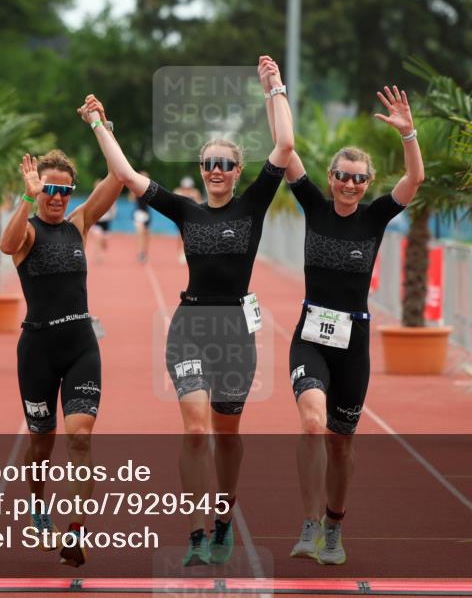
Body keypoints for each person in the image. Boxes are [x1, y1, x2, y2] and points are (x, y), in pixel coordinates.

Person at [81, 54, 294, 566]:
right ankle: (198, 530)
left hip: (236, 333)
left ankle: (225, 513)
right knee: (195, 430)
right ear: (200, 171)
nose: (217, 172)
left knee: (226, 433)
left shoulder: (253, 204)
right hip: (191, 325)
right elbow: (129, 176)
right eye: (208, 164)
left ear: (238, 171)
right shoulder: (185, 210)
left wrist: (275, 88)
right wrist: (99, 126)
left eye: (225, 164)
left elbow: (284, 146)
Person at [272, 85, 424, 565]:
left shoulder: (376, 216)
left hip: (353, 341)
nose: (348, 184)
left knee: (341, 444)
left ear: (367, 182)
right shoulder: (315, 206)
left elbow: (415, 179)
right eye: (341, 176)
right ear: (331, 177)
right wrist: (275, 90)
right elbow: (287, 149)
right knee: (313, 424)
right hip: (311, 334)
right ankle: (310, 524)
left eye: (358, 178)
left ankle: (335, 527)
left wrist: (408, 133)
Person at [0, 122, 124, 566]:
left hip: (80, 347)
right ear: (39, 190)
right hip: (37, 352)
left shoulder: (79, 223)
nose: (56, 197)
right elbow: (5, 244)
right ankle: (38, 506)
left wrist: (102, 131)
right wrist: (26, 198)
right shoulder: (29, 231)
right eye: (49, 189)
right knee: (41, 444)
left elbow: (118, 177)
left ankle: (74, 531)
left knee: (81, 436)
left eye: (64, 190)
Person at [172, 177, 203, 262]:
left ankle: (192, 253)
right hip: (180, 218)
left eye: (188, 187)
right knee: (180, 236)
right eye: (185, 187)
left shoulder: (195, 193)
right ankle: (181, 253)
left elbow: (199, 204)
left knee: (193, 236)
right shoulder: (177, 192)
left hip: (192, 218)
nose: (187, 189)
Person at [131, 172, 152, 262]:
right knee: (140, 233)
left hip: (147, 214)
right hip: (138, 213)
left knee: (146, 235)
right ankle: (140, 253)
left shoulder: (150, 189)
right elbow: (131, 199)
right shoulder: (135, 187)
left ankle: (144, 253)